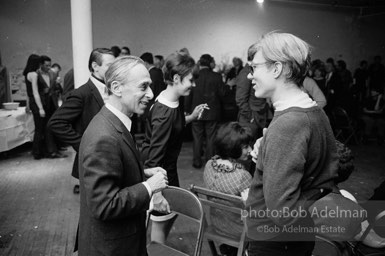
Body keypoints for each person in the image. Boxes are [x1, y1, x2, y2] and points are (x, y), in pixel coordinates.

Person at [245, 32, 339, 256]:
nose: (250, 76)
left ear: (276, 69)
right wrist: (269, 146)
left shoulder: (289, 124)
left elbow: (283, 212)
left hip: (274, 240)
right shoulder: (311, 111)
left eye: (254, 67)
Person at [78, 55, 169, 256]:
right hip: (112, 248)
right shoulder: (104, 136)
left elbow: (113, 171)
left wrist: (141, 173)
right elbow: (104, 205)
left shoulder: (112, 123)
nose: (151, 94)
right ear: (117, 88)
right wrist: (149, 186)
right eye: (143, 87)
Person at [141, 52, 208, 244]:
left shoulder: (170, 99)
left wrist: (192, 117)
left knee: (168, 217)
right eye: (191, 80)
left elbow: (174, 125)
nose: (194, 84)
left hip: (167, 172)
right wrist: (158, 193)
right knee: (160, 228)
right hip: (160, 175)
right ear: (177, 78)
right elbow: (153, 160)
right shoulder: (165, 114)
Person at [48, 48, 115, 195]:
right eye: (110, 65)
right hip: (94, 161)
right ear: (95, 66)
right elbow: (56, 123)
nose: (114, 70)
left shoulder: (112, 89)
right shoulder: (82, 93)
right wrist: (82, 144)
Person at [203, 122, 253, 256]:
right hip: (238, 231)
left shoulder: (209, 165)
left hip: (216, 226)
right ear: (232, 148)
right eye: (245, 147)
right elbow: (254, 209)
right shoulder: (242, 175)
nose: (250, 150)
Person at [189, 54, 224, 168]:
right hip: (212, 112)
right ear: (210, 63)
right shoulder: (217, 76)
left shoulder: (194, 76)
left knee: (197, 137)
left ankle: (197, 161)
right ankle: (209, 163)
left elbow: (189, 94)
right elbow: (222, 94)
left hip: (196, 111)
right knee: (211, 138)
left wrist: (187, 109)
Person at [23, 54, 46, 159]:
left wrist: (28, 105)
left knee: (37, 128)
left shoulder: (27, 74)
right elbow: (35, 93)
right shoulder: (34, 74)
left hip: (32, 102)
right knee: (39, 128)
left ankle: (36, 151)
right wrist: (41, 108)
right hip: (37, 103)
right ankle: (37, 152)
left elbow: (28, 93)